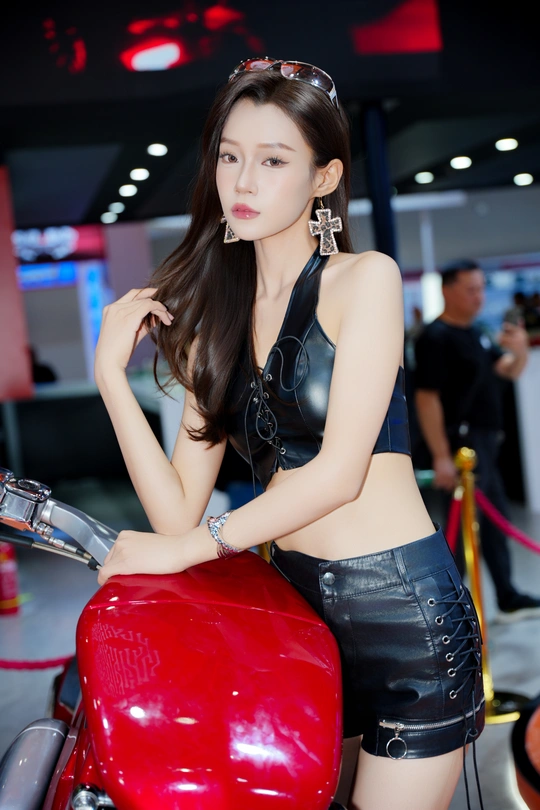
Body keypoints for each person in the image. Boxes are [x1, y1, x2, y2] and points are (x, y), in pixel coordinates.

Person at [94, 59, 484, 810]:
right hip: (300, 625)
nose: (242, 182)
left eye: (273, 161)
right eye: (230, 157)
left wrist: (191, 548)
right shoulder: (214, 322)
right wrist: (113, 376)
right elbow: (175, 512)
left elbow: (339, 473)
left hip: (405, 620)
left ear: (323, 177)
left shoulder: (364, 279)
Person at [414, 259, 540, 621]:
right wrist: (441, 455)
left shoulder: (477, 332)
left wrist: (520, 351)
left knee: (495, 521)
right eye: (471, 289)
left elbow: (507, 370)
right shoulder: (435, 338)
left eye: (481, 288)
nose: (478, 297)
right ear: (447, 290)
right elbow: (427, 398)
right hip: (460, 446)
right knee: (459, 529)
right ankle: (452, 607)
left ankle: (507, 594)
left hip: (485, 443)